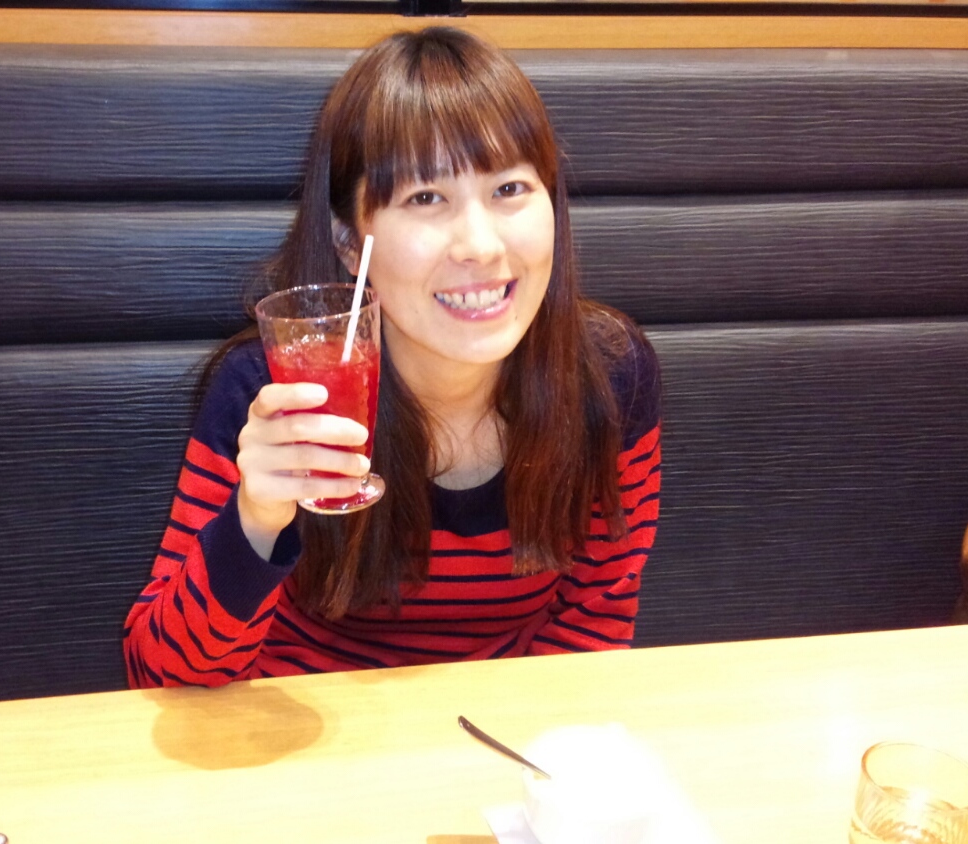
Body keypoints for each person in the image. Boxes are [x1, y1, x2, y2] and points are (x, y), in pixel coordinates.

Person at [123, 26, 661, 688]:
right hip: (302, 728)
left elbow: (593, 628)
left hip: (499, 731)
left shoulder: (610, 376)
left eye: (510, 189)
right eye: (425, 198)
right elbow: (161, 675)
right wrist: (256, 517)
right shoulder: (276, 386)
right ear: (351, 245)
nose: (481, 245)